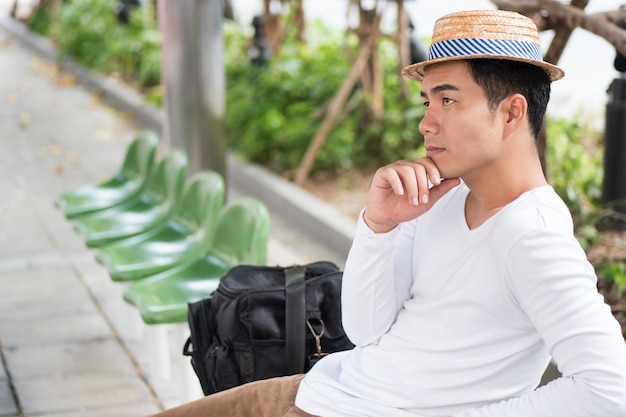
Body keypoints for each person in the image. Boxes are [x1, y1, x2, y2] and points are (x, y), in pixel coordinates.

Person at [148, 9, 626, 417]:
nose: (426, 121)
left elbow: (610, 387)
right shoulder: (445, 197)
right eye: (427, 100)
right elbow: (365, 329)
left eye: (448, 100)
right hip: (323, 390)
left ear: (511, 113)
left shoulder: (532, 234)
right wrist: (380, 225)